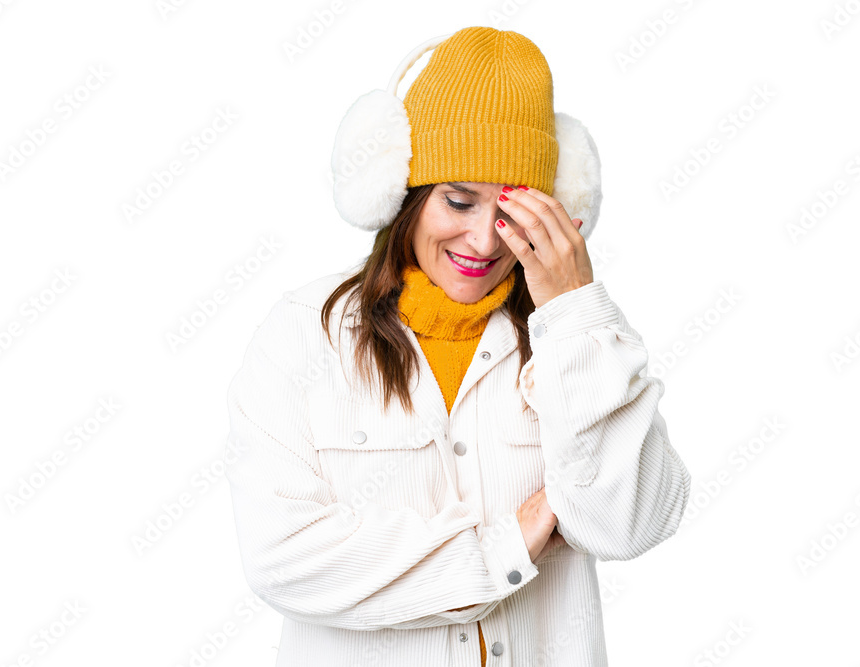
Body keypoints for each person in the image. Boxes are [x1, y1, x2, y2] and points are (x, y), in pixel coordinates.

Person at [224, 25, 690, 667]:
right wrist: (503, 551)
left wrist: (575, 312)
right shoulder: (305, 333)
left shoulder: (579, 339)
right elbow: (283, 560)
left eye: (513, 211)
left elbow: (629, 524)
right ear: (402, 193)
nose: (485, 241)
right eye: (460, 201)